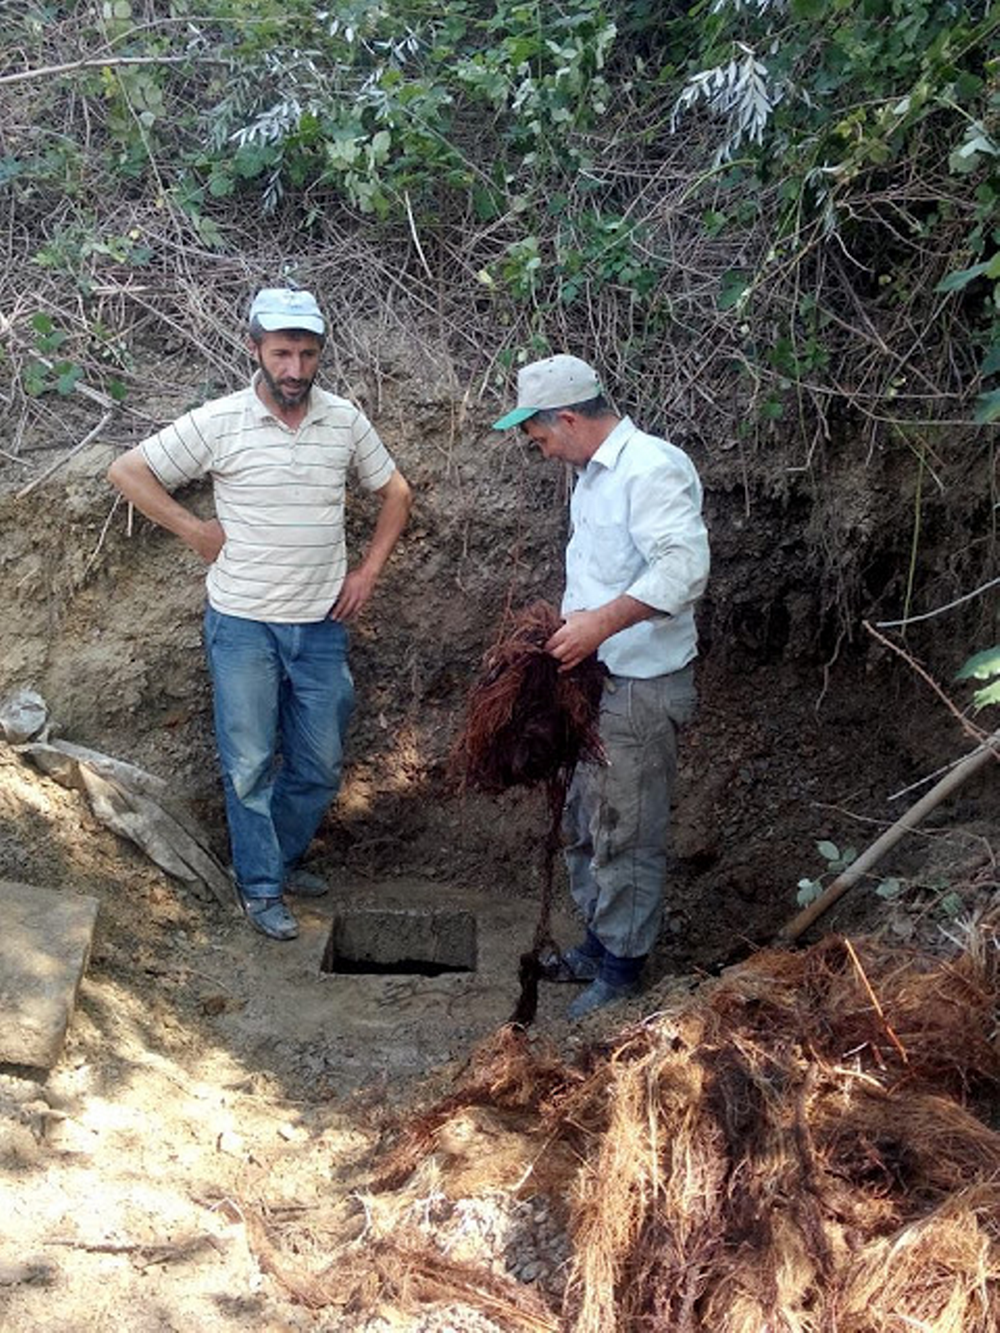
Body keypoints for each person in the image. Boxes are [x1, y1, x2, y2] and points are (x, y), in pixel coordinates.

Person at [108, 287, 412, 941]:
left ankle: (280, 855)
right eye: (282, 354)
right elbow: (128, 471)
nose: (295, 369)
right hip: (242, 625)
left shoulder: (343, 420)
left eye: (307, 354)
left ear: (320, 353)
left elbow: (396, 492)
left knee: (320, 766)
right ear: (256, 349)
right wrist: (195, 530)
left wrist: (367, 572)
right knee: (247, 765)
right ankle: (261, 885)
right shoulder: (221, 421)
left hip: (321, 626)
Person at [492, 354, 709, 1018]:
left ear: (566, 417)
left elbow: (684, 569)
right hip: (594, 682)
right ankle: (597, 944)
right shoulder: (590, 477)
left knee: (626, 831)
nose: (537, 447)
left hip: (638, 687)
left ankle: (623, 972)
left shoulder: (651, 468)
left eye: (537, 435)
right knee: (588, 823)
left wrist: (600, 624)